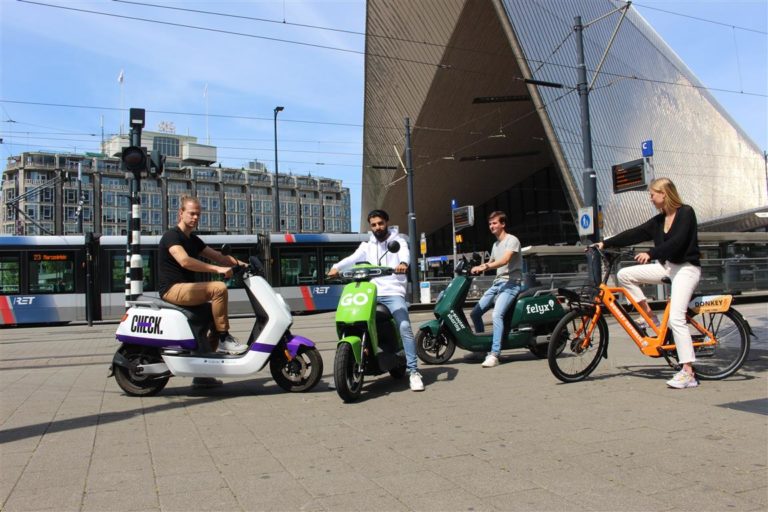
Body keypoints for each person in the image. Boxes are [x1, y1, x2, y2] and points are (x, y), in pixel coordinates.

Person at [596, 177, 701, 389]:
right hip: (668, 267)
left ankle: (688, 372)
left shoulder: (686, 213)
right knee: (625, 275)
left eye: (652, 194)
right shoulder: (659, 220)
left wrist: (651, 253)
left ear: (664, 193)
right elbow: (635, 233)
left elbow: (677, 242)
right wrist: (605, 242)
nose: (650, 199)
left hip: (687, 269)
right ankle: (650, 318)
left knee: (677, 318)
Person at [327, 209, 425, 392]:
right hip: (371, 293)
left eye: (380, 223)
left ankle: (413, 371)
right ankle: (346, 367)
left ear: (386, 222)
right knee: (353, 320)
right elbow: (352, 259)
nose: (377, 227)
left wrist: (403, 264)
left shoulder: (398, 241)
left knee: (404, 325)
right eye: (374, 225)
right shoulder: (367, 246)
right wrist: (335, 267)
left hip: (393, 292)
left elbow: (404, 255)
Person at [159, 196, 248, 387]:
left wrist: (245, 265)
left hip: (187, 290)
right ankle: (225, 339)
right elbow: (185, 261)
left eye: (198, 214)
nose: (195, 217)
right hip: (172, 289)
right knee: (218, 288)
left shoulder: (193, 240)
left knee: (215, 317)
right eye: (191, 213)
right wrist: (217, 270)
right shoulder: (172, 236)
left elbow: (218, 256)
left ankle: (203, 373)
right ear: (181, 213)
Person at [469, 211, 523, 368]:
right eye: (490, 224)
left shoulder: (512, 240)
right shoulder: (495, 245)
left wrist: (485, 266)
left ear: (503, 224)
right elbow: (491, 261)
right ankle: (481, 348)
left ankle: (494, 354)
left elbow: (504, 260)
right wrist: (476, 267)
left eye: (494, 223)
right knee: (475, 313)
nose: (491, 226)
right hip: (498, 283)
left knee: (496, 315)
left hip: (511, 283)